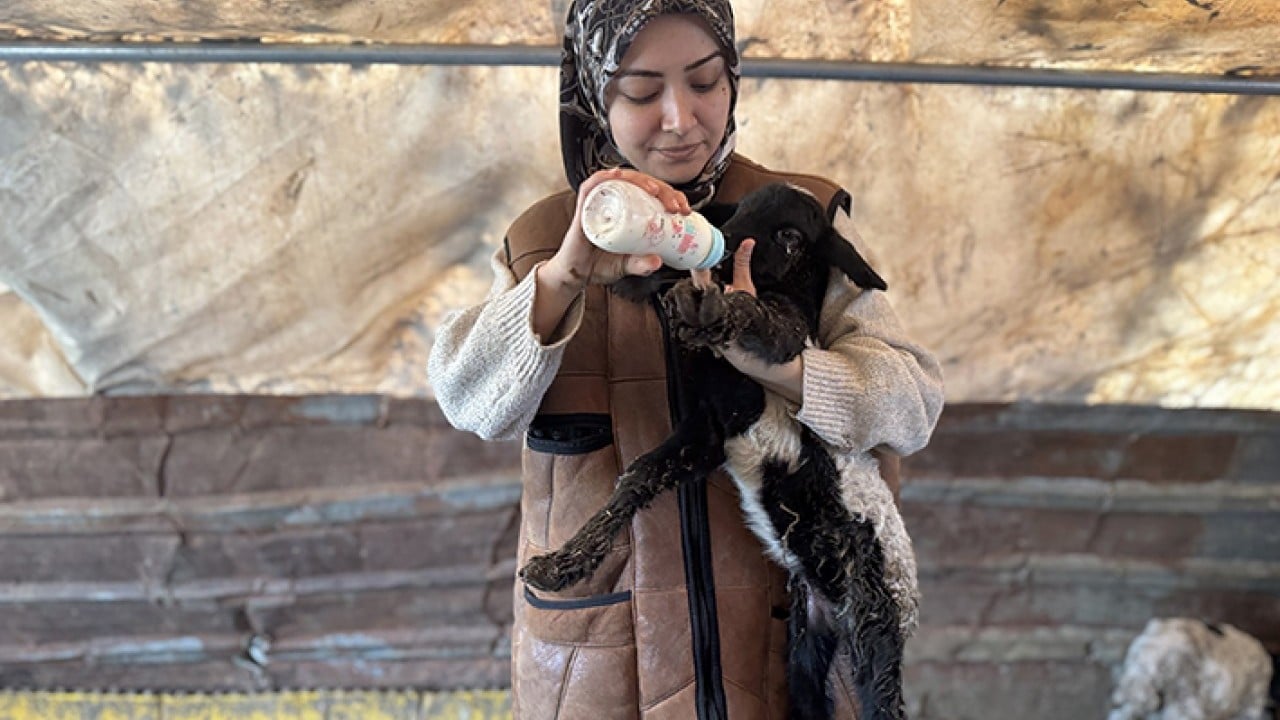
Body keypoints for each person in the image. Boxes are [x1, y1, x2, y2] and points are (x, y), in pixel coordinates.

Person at [427, 1, 944, 717]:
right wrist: (565, 275)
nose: (681, 118)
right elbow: (469, 400)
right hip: (603, 668)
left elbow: (913, 404)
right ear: (591, 91)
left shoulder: (800, 216)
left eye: (705, 82)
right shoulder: (545, 239)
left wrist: (784, 370)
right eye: (641, 92)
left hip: (787, 660)